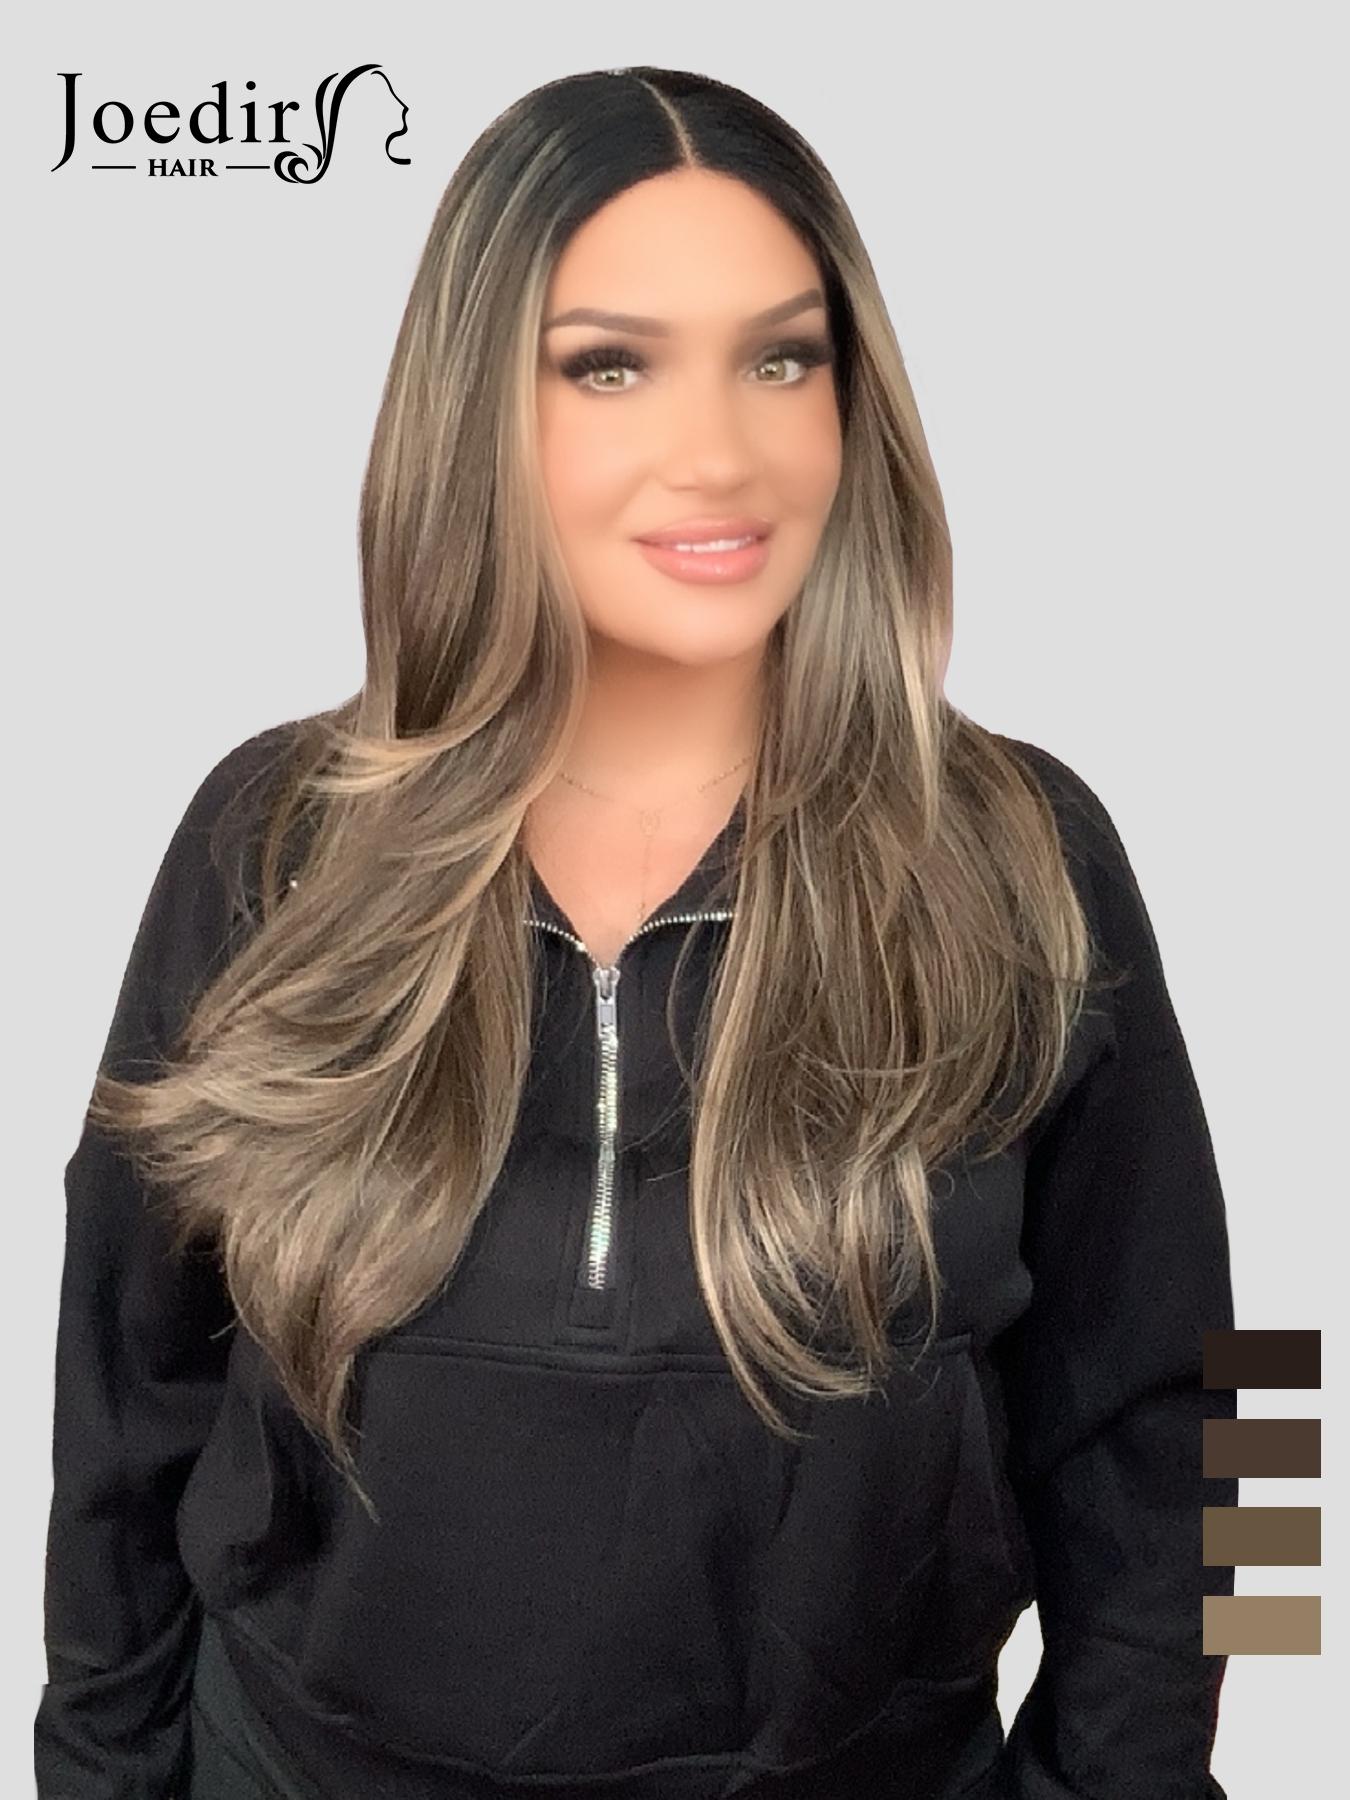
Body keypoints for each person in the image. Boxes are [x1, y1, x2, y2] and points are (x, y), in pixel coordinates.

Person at [35, 64, 1236, 1800]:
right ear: (476, 415)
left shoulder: (1024, 851)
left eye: (781, 359)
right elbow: (116, 1405)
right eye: (610, 365)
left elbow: (1216, 1404)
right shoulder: (273, 842)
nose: (720, 451)